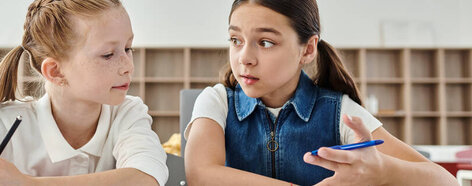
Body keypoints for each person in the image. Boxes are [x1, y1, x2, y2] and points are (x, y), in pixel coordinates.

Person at [183, 0, 457, 185]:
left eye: (265, 42)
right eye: (235, 40)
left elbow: (443, 180)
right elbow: (200, 173)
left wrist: (383, 170)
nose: (244, 58)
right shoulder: (216, 101)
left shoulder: (340, 111)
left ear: (308, 49)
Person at [0, 0, 168, 185]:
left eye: (128, 48)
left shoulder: (128, 113)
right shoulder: (8, 124)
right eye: (108, 54)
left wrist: (26, 184)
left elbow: (145, 179)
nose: (128, 66)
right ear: (55, 72)